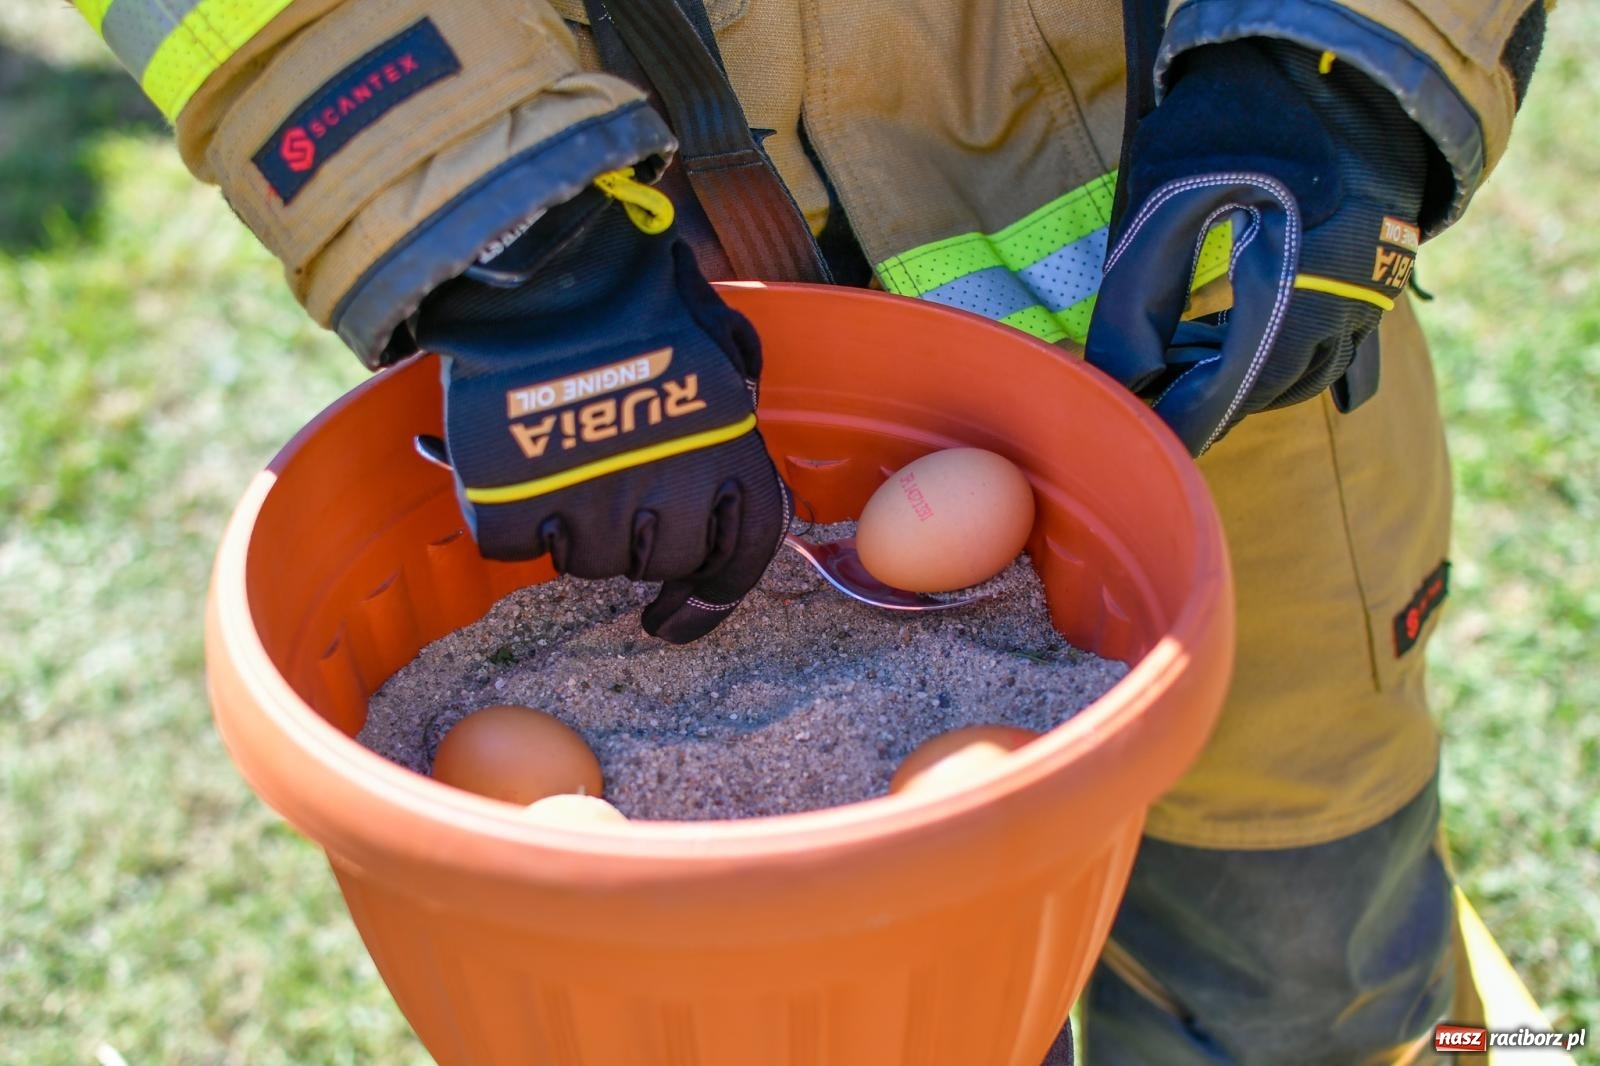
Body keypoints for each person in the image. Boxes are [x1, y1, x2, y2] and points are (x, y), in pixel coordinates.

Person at [74, 0, 1547, 1060]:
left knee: (1306, 959)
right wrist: (496, 217)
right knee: (906, 1004)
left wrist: (1350, 63)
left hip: (1224, 332)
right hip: (678, 349)